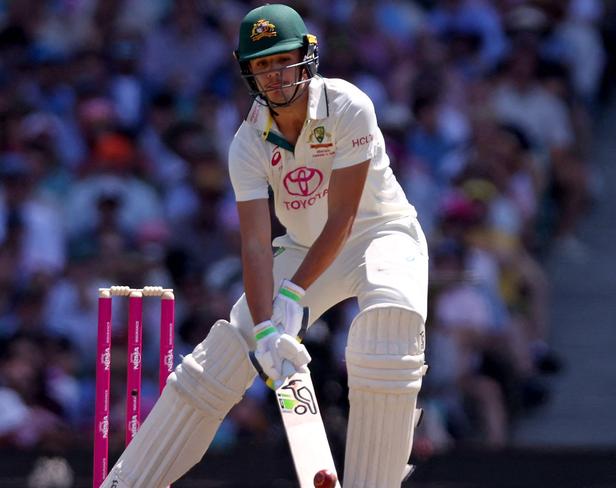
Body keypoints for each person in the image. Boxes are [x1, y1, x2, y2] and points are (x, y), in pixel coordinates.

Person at [101, 4, 428, 487]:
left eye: (282, 61)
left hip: (382, 233)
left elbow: (344, 217)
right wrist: (264, 331)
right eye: (262, 65)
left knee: (388, 327)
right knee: (221, 358)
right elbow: (256, 245)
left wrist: (293, 297)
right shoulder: (248, 143)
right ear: (247, 72)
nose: (274, 76)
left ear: (307, 57)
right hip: (301, 246)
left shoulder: (348, 105)